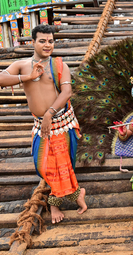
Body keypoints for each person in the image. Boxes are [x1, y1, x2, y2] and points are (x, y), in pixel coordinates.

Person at [0, 24, 87, 224]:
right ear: (33, 42)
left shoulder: (59, 66)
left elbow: (66, 93)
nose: (47, 45)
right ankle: (76, 193)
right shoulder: (22, 65)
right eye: (42, 41)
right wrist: (28, 77)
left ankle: (56, 203)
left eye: (50, 41)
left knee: (64, 164)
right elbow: (1, 78)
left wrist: (49, 113)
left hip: (61, 122)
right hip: (41, 125)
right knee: (44, 166)